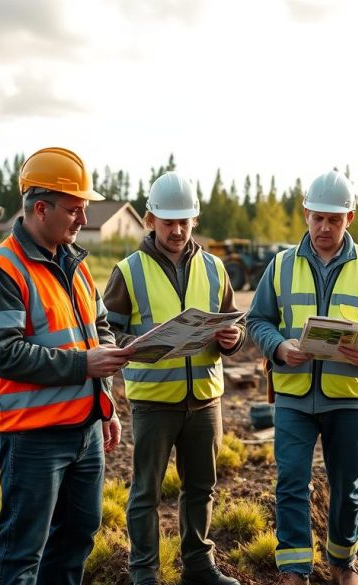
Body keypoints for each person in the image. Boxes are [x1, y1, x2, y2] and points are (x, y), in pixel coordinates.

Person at [0, 147, 134, 585]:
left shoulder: (73, 263)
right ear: (41, 208)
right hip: (32, 437)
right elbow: (4, 354)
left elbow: (98, 329)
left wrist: (106, 403)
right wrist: (84, 366)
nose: (83, 220)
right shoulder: (0, 272)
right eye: (75, 210)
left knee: (76, 539)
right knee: (21, 552)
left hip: (84, 431)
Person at [247, 170, 358, 585]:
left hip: (349, 396)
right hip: (294, 396)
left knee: (347, 486)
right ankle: (294, 570)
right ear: (305, 214)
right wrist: (279, 347)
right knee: (291, 483)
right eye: (318, 218)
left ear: (349, 219)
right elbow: (259, 320)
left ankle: (342, 564)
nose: (324, 227)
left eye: (334, 220)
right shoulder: (281, 265)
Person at [102, 171, 245, 585]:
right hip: (153, 401)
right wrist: (140, 343)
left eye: (184, 221)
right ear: (150, 219)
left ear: (194, 220)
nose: (177, 230)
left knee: (201, 487)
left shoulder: (217, 269)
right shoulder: (128, 271)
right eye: (169, 222)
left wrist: (231, 339)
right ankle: (144, 572)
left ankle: (199, 566)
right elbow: (106, 332)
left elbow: (230, 329)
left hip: (205, 400)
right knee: (146, 492)